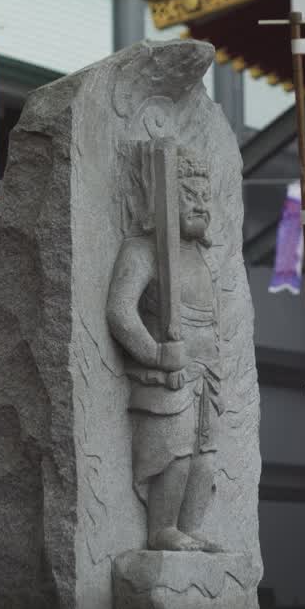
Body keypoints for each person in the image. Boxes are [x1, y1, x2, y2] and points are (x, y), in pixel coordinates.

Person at [106, 146, 223, 553]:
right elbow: (121, 311)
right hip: (167, 375)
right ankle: (162, 530)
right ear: (165, 200)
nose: (201, 206)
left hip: (206, 374)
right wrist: (155, 353)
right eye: (189, 197)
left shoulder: (201, 258)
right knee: (175, 456)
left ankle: (190, 529)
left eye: (205, 198)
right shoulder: (142, 251)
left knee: (205, 460)